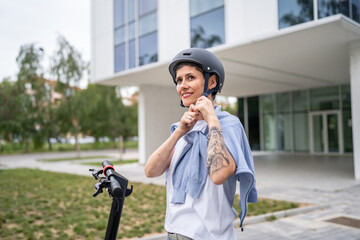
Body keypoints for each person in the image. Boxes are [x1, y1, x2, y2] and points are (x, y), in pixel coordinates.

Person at [144, 48, 257, 240]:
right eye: (179, 80)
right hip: (173, 233)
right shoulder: (180, 129)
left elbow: (219, 175)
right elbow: (150, 171)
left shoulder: (228, 125)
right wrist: (179, 132)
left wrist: (212, 119)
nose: (183, 86)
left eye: (190, 77)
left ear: (211, 81)